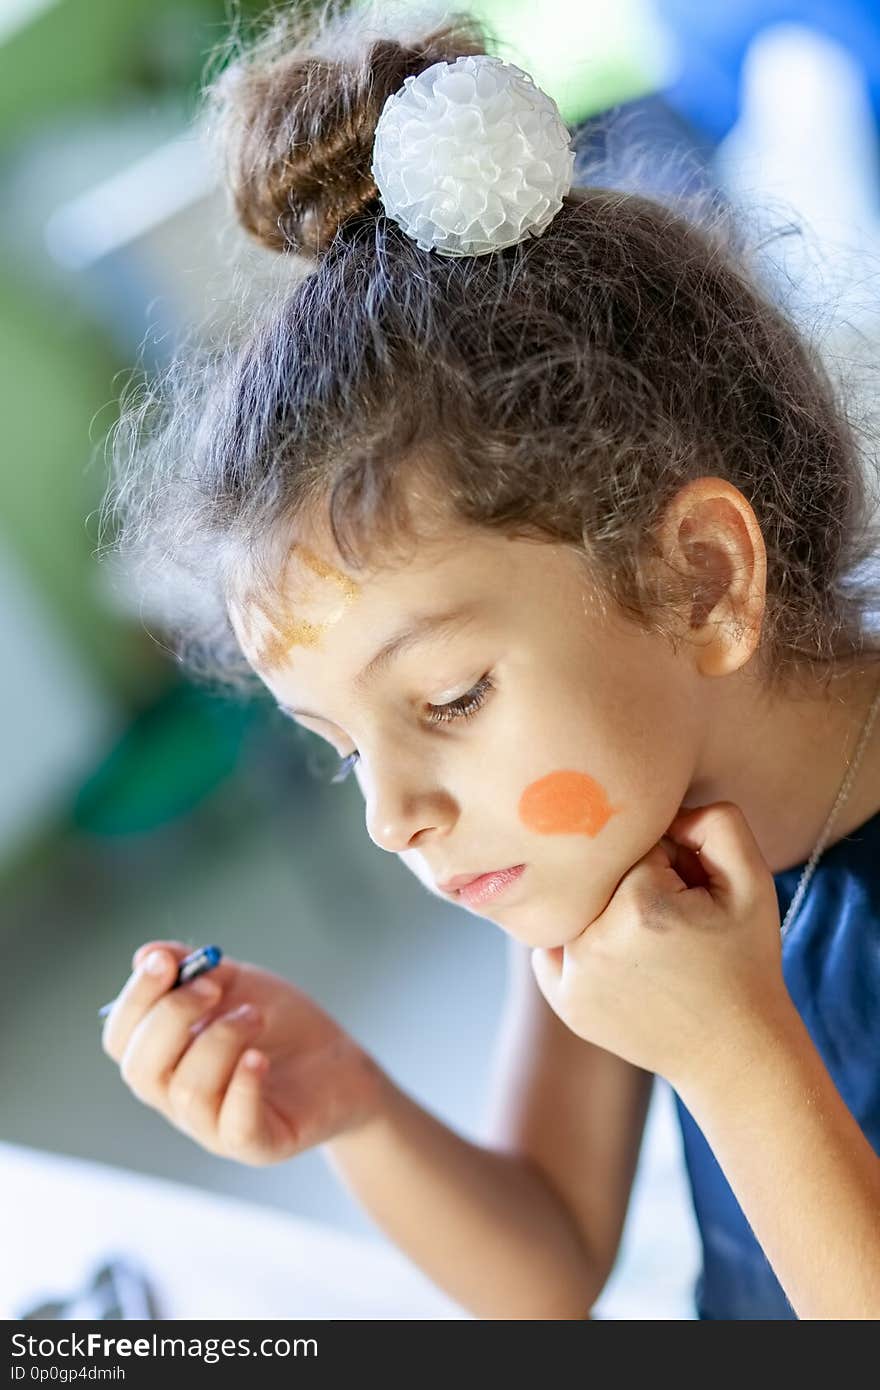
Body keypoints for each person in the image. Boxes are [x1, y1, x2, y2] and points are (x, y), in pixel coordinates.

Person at [97, 0, 880, 1319]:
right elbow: (552, 1261)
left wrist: (743, 1061)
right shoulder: (610, 847)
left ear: (702, 577)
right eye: (341, 745)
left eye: (449, 697)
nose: (396, 816)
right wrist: (351, 1101)